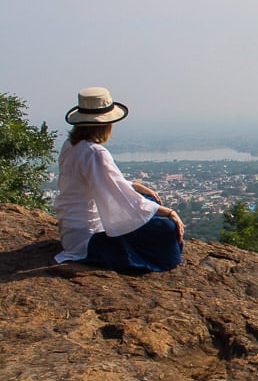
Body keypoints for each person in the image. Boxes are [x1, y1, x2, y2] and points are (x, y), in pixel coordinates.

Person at [53, 87, 184, 272]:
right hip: (89, 238)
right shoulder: (95, 152)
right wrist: (169, 212)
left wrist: (135, 186)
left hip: (71, 231)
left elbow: (99, 182)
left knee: (151, 201)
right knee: (167, 228)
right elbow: (119, 195)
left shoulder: (71, 145)